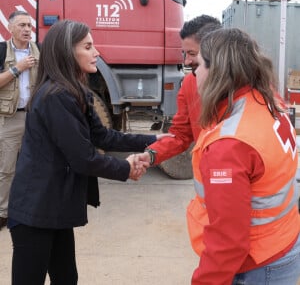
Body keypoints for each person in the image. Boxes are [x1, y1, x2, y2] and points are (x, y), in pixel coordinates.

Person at [7, 19, 170, 285]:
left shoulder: (76, 92)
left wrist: (153, 140)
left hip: (55, 206)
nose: (96, 52)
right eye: (88, 46)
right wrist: (126, 168)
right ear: (66, 52)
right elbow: (83, 158)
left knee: (67, 277)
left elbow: (103, 136)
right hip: (35, 210)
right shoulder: (55, 96)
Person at [190, 27, 300, 284]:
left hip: (259, 264)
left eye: (199, 64)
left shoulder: (229, 146)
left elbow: (228, 242)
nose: (194, 71)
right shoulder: (269, 101)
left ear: (215, 70)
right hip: (284, 241)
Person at [139, 15, 221, 167]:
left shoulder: (248, 88)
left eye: (192, 54)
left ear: (215, 50)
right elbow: (180, 134)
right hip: (206, 176)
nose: (186, 61)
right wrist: (150, 155)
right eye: (185, 53)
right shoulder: (189, 83)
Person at [0, 10, 40, 231]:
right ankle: (3, 212)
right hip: (10, 118)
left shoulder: (40, 51)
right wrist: (18, 68)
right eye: (22, 25)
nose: (27, 29)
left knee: (34, 165)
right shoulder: (0, 51)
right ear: (10, 27)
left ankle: (29, 208)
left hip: (35, 119)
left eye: (29, 25)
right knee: (6, 168)